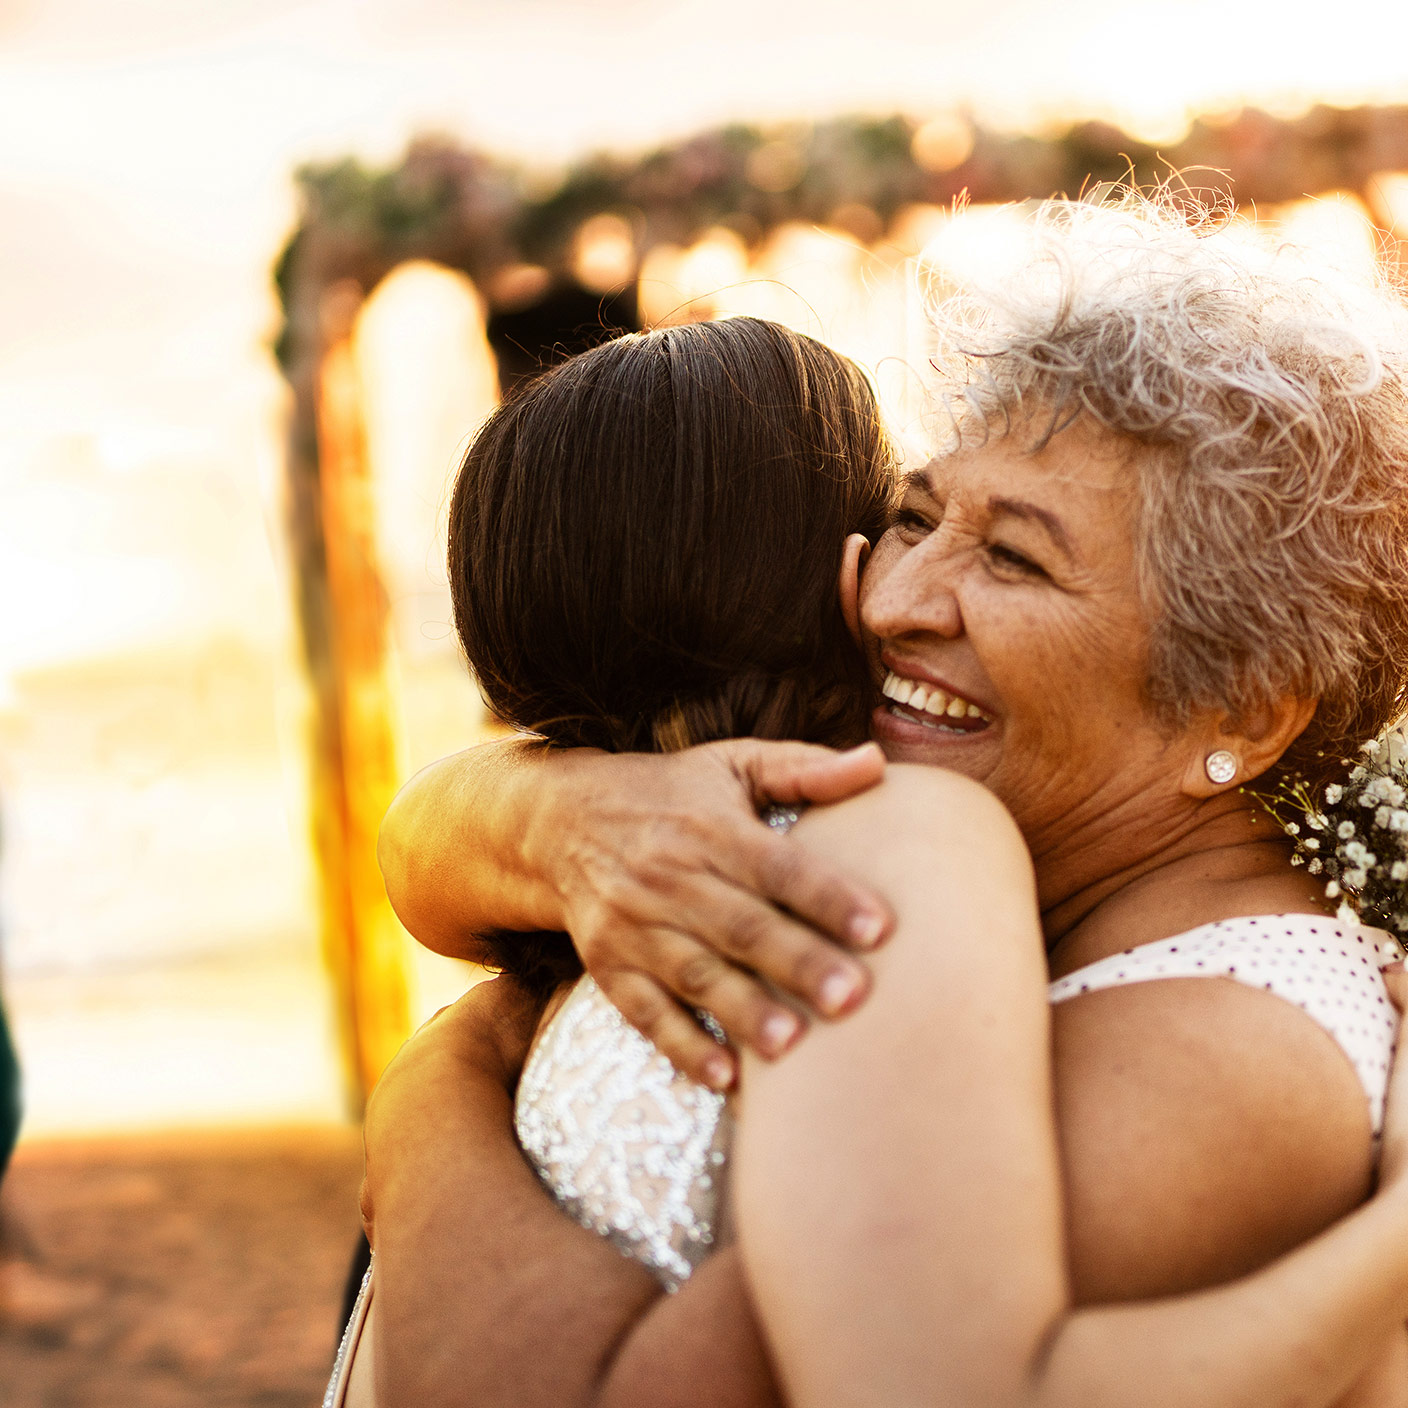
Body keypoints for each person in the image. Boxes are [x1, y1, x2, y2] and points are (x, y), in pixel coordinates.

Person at [361, 194, 1408, 1405]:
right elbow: (430, 851)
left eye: (1014, 558)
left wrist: (433, 1092)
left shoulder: (1213, 1055)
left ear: (1240, 710)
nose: (896, 600)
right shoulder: (980, 873)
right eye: (912, 517)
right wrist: (556, 817)